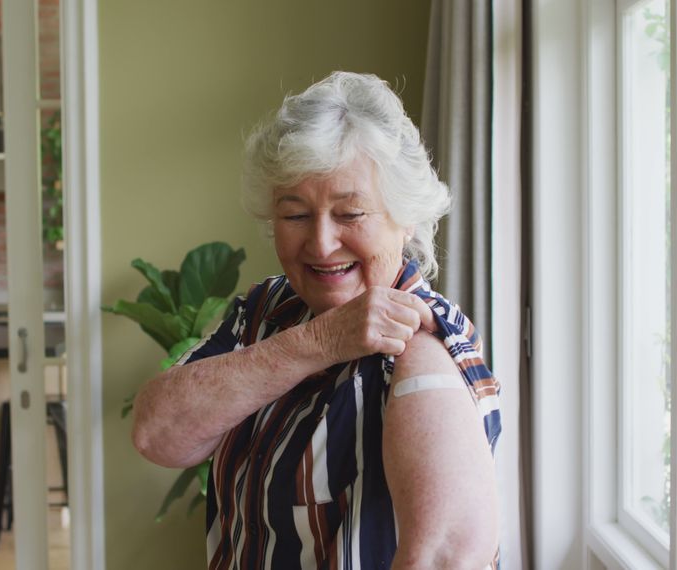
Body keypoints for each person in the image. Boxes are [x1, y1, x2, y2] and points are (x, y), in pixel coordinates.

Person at [132, 71, 502, 569]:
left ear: (405, 215)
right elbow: (157, 434)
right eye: (295, 215)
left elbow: (448, 557)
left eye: (350, 214)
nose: (322, 243)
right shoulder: (266, 311)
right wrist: (319, 341)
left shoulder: (420, 346)